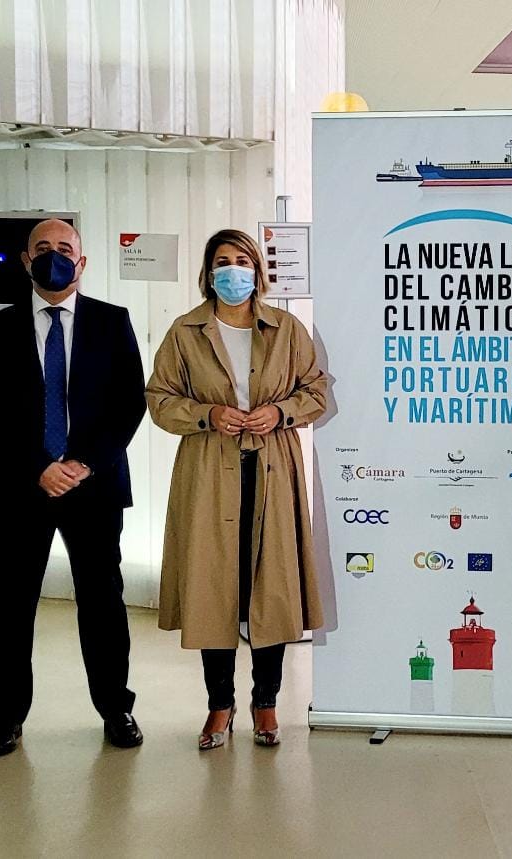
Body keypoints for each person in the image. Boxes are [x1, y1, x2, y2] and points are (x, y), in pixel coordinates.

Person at [146, 228, 328, 749]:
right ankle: (219, 706)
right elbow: (159, 399)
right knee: (215, 590)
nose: (233, 271)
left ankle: (265, 702)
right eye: (223, 261)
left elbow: (314, 390)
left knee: (270, 590)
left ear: (258, 270)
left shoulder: (287, 329)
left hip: (273, 468)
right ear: (208, 271)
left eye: (242, 261)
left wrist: (280, 411)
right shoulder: (186, 332)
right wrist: (207, 414)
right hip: (209, 472)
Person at [0, 219, 147, 757]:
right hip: (21, 486)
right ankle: (6, 717)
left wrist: (83, 463)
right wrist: (38, 466)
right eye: (43, 249)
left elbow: (128, 403)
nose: (55, 257)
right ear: (26, 261)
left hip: (93, 487)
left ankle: (116, 708)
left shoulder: (111, 321)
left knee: (102, 602)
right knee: (13, 605)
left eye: (65, 249)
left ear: (83, 261)